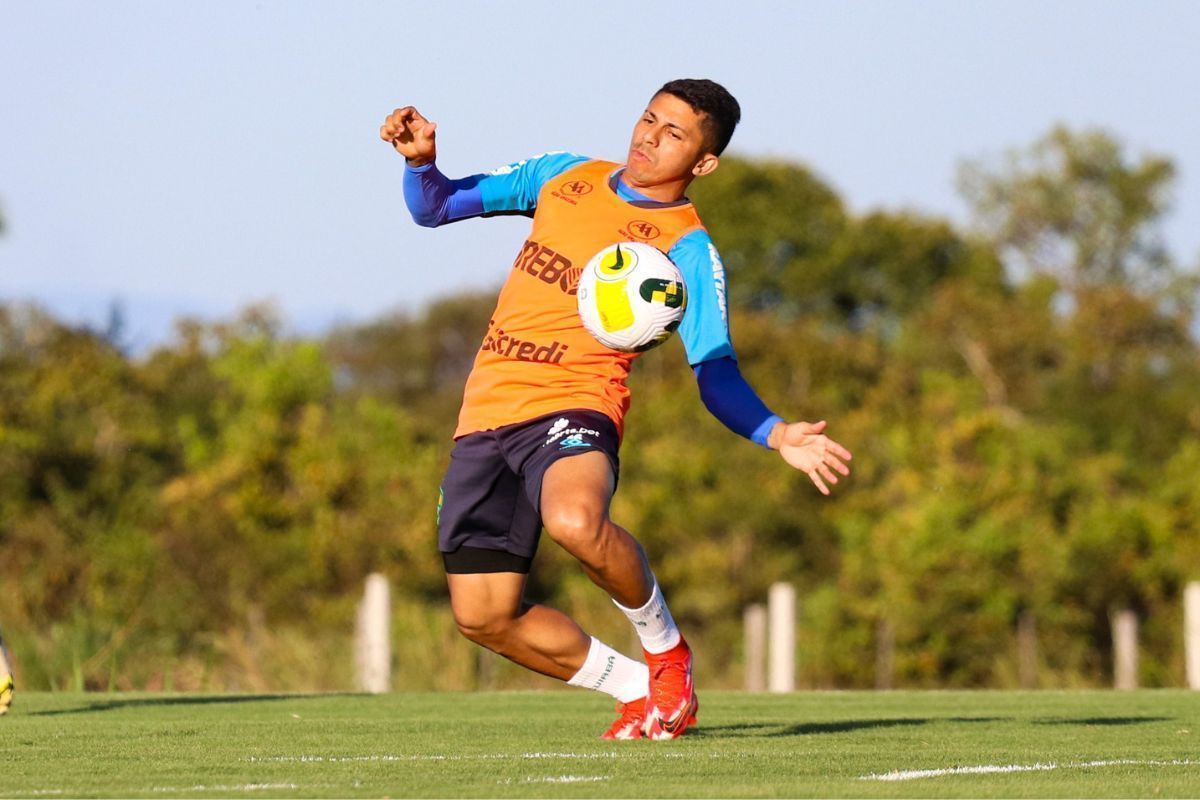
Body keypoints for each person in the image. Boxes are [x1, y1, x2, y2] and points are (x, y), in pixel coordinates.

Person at [380, 79, 852, 740]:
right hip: (484, 416)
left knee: (575, 519)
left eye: (674, 134)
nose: (648, 138)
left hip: (575, 405)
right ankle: (639, 690)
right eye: (648, 119)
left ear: (703, 163)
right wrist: (420, 162)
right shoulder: (562, 176)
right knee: (483, 616)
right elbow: (438, 208)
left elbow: (714, 370)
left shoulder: (688, 249)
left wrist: (776, 434)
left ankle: (666, 655)